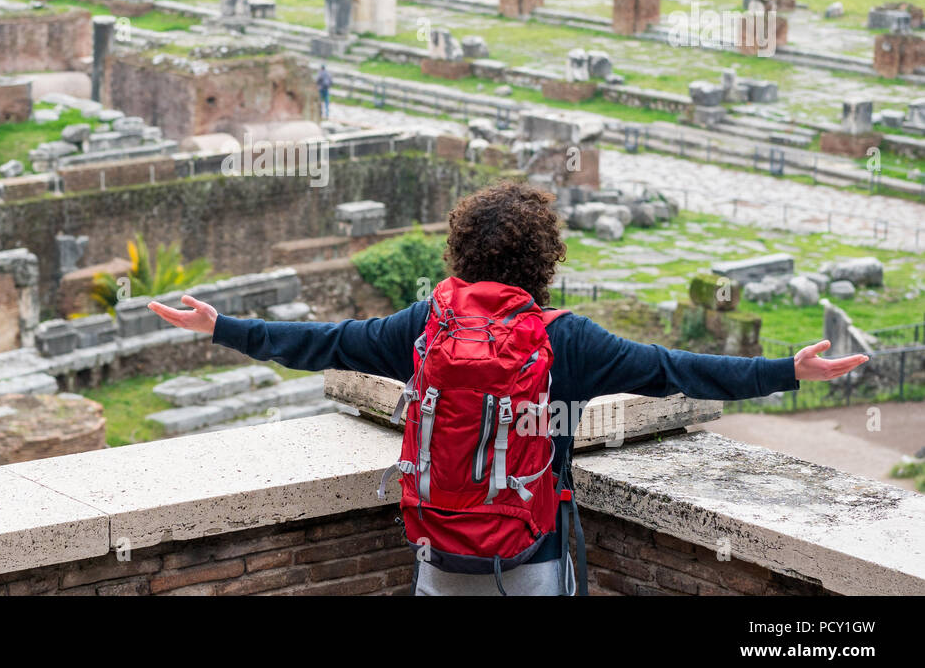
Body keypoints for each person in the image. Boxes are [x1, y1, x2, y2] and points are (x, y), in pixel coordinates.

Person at [148, 180, 868, 596]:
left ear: (458, 250)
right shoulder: (565, 340)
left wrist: (226, 327)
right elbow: (674, 369)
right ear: (545, 258)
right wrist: (785, 372)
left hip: (438, 557)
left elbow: (325, 343)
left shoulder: (423, 326)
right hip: (530, 560)